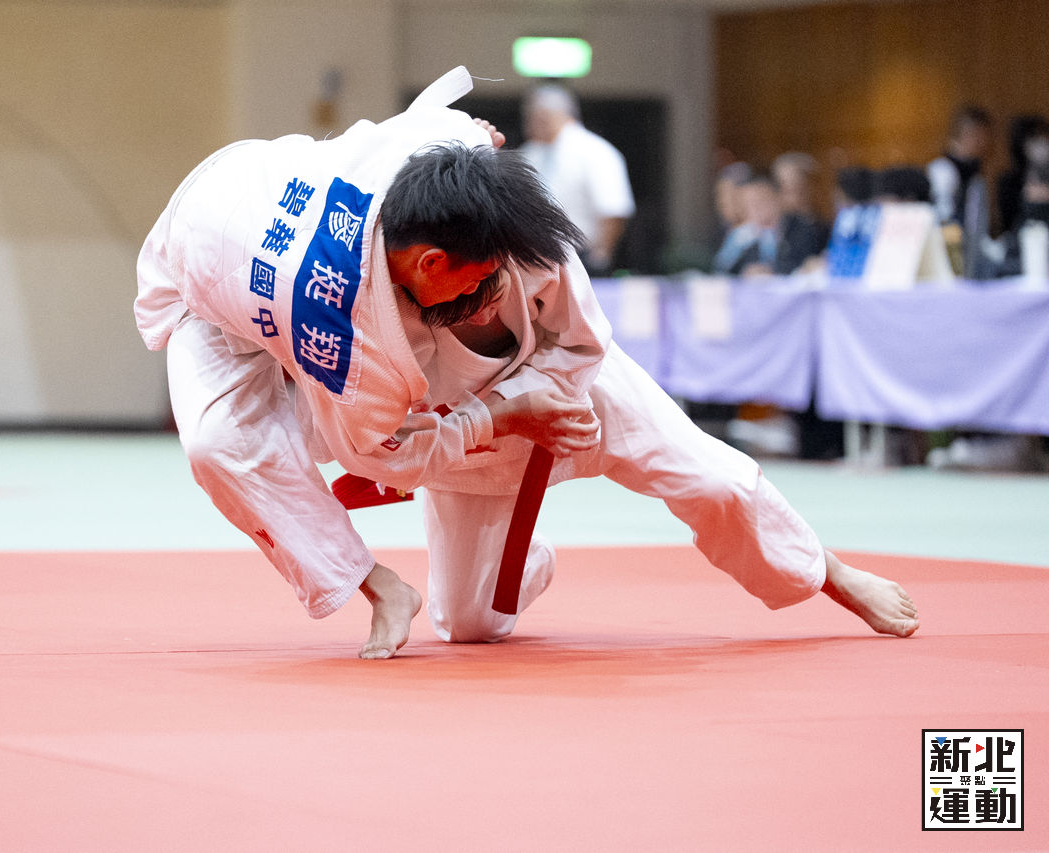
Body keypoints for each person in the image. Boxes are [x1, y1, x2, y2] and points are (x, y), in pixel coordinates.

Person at [135, 67, 918, 659]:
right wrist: (498, 415)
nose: (482, 300)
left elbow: (580, 339)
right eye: (467, 289)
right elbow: (378, 451)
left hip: (565, 385)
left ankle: (827, 571)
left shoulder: (517, 237)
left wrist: (540, 401)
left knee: (710, 479)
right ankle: (424, 575)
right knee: (467, 622)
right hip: (241, 280)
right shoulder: (348, 329)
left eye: (494, 282)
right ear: (427, 264)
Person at [519, 83, 635, 276]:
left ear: (547, 116)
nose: (530, 124)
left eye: (535, 117)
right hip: (535, 258)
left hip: (581, 257)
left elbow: (614, 209)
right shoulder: (530, 153)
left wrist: (601, 256)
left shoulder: (595, 151)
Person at [927, 105, 994, 278]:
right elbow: (943, 219)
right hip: (947, 257)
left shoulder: (976, 176)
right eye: (979, 136)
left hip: (972, 260)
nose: (984, 143)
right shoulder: (941, 171)